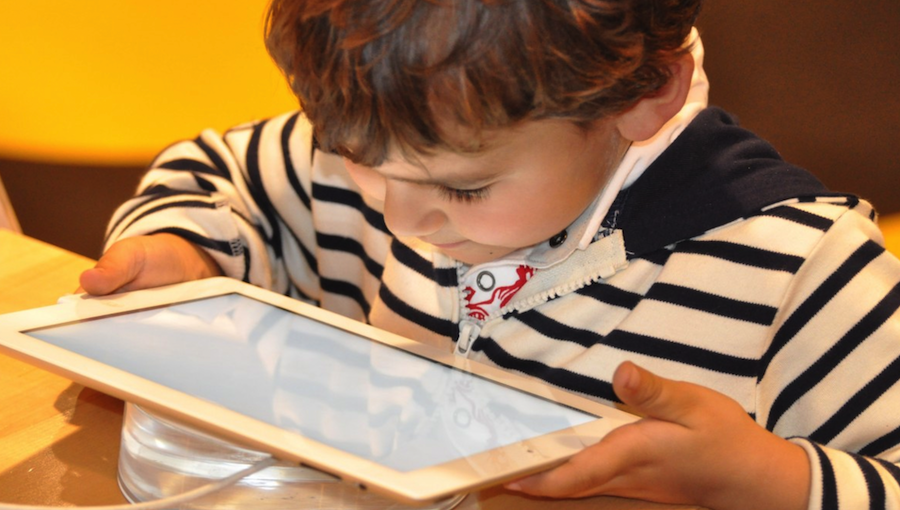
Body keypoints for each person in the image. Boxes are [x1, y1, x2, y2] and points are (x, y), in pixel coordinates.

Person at [79, 1, 900, 509]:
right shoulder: (406, 141)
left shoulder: (802, 271)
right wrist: (183, 248)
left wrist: (765, 482)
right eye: (364, 163)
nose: (403, 217)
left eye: (465, 190)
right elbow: (221, 176)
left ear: (645, 96)